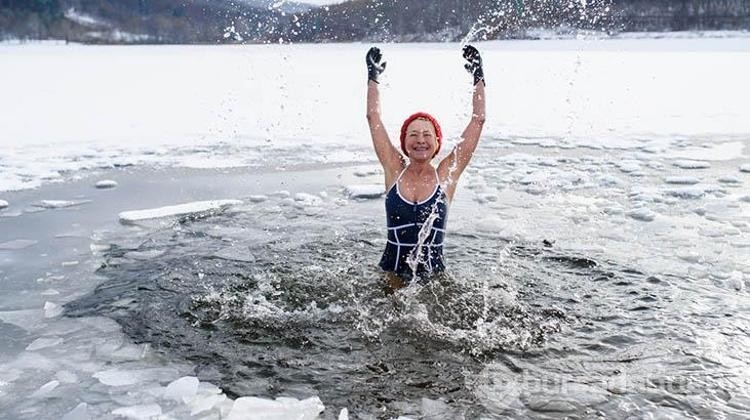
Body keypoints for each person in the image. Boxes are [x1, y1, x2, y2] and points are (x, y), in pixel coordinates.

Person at [365, 45, 486, 287]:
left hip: (434, 281)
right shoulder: (394, 169)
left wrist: (479, 76)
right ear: (404, 142)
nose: (420, 140)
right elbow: (373, 117)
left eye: (427, 135)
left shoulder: (446, 173)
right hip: (392, 277)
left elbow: (478, 120)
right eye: (413, 134)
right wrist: (373, 77)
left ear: (437, 141)